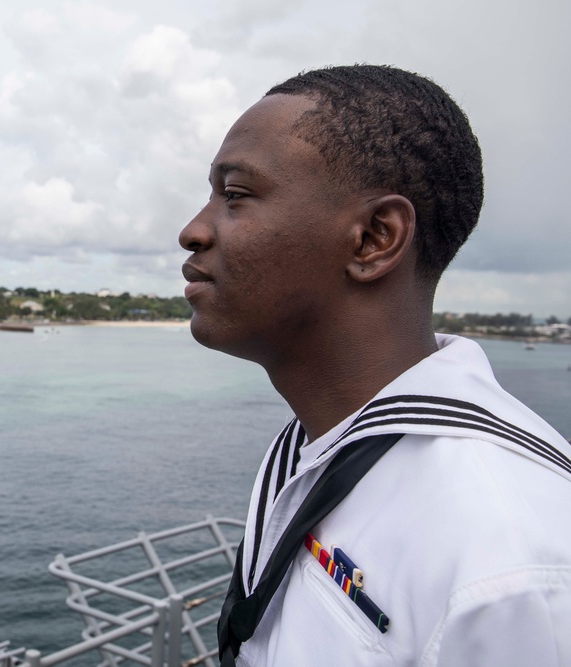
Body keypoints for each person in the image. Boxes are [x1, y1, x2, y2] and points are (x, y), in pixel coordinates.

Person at [179, 64, 571, 666]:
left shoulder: (508, 562)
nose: (193, 231)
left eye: (235, 195)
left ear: (373, 240)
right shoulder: (321, 446)